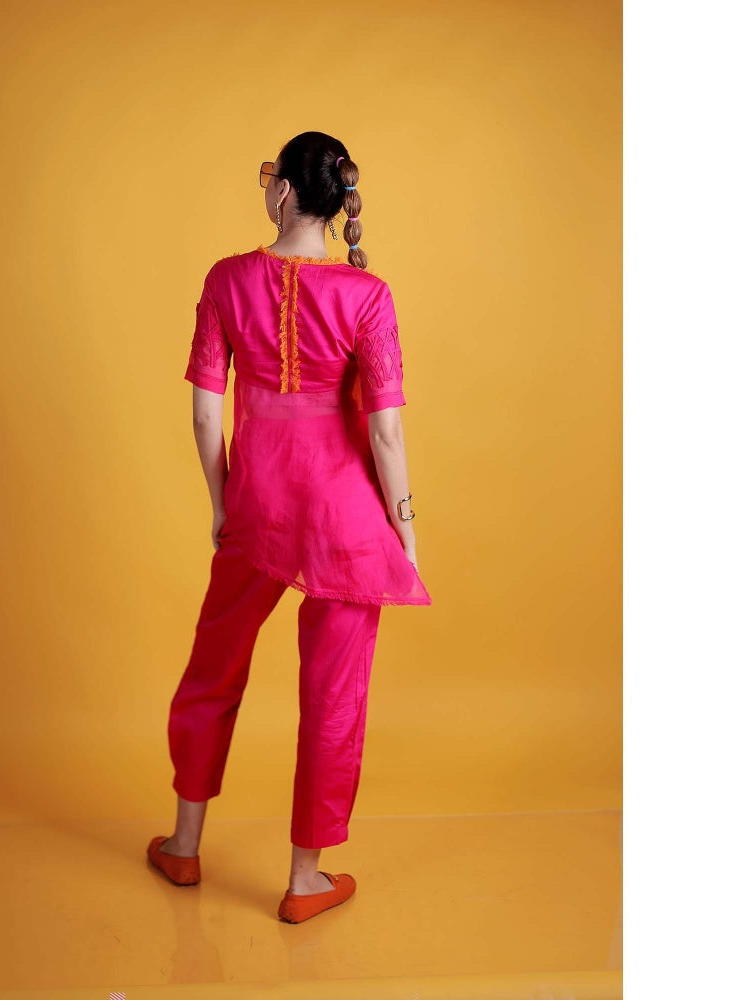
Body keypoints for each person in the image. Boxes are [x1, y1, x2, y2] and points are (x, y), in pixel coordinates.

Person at [147, 131, 432, 923]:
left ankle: (184, 845)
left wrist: (222, 501)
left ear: (282, 193)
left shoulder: (226, 279)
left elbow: (205, 414)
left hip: (257, 509)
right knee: (333, 698)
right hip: (345, 522)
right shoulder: (367, 296)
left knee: (213, 668)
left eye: (269, 177)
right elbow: (386, 433)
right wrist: (405, 527)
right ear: (338, 200)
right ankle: (305, 882)